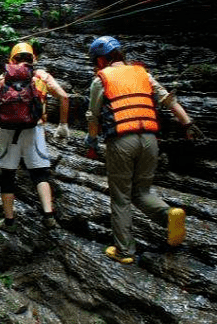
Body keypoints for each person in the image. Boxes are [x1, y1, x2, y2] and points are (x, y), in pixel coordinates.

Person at [85, 36, 204, 264]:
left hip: (121, 141)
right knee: (142, 192)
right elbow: (168, 100)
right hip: (150, 140)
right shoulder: (143, 74)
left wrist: (91, 141)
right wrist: (187, 123)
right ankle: (169, 216)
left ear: (101, 59)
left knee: (121, 198)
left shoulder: (100, 79)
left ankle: (124, 251)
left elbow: (93, 116)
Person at [0, 42, 70, 229]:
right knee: (39, 173)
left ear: (11, 59)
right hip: (34, 128)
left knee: (7, 175)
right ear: (33, 58)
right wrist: (63, 124)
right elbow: (64, 97)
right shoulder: (41, 76)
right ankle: (48, 216)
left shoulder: (3, 77)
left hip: (8, 131)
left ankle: (9, 221)